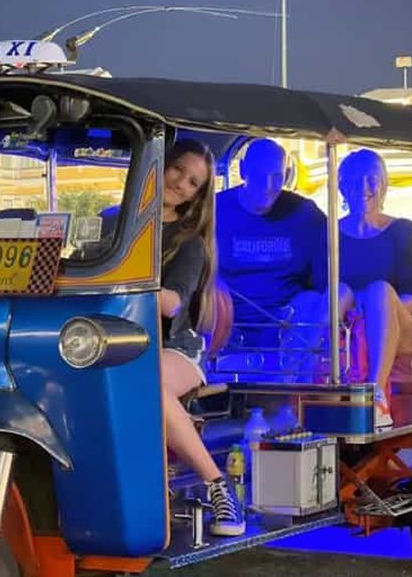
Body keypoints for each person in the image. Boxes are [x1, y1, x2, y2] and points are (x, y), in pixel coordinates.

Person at [154, 138, 245, 537]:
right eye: (178, 170)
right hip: (113, 341)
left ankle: (219, 487)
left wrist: (130, 285)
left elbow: (174, 303)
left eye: (193, 182)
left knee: (146, 382)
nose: (180, 183)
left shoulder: (189, 242)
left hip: (176, 348)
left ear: (197, 195)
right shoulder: (115, 223)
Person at [337, 149, 412, 427]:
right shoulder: (330, 233)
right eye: (354, 179)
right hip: (348, 325)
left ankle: (376, 397)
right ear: (342, 187)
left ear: (384, 184)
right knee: (339, 291)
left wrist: (375, 313)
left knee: (378, 291)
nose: (364, 187)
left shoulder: (402, 231)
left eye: (372, 179)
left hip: (401, 325)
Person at [215, 139, 328, 361]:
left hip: (290, 324)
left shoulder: (305, 214)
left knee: (312, 300)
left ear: (286, 175)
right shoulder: (215, 209)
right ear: (243, 170)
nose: (267, 186)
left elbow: (328, 278)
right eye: (259, 175)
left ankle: (293, 375)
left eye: (276, 177)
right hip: (227, 320)